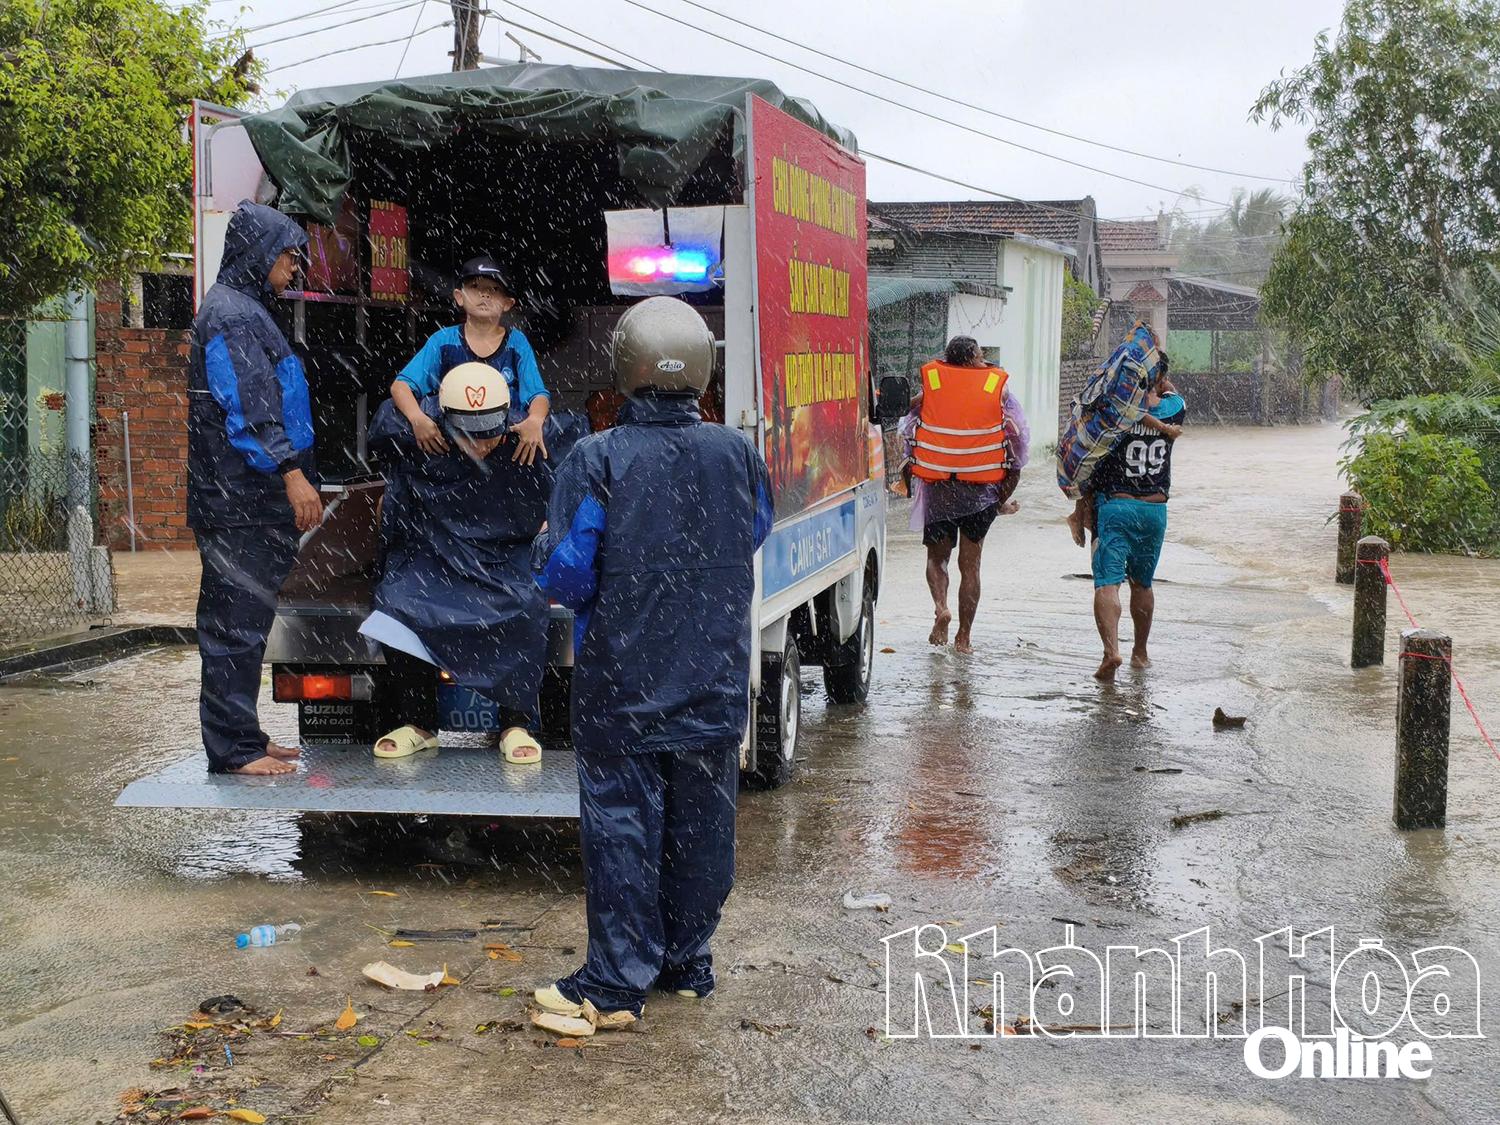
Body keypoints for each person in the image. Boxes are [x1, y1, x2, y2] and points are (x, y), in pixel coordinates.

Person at [531, 296, 774, 1027]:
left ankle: (613, 983)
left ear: (625, 370)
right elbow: (752, 532)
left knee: (624, 831)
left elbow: (567, 576)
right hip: (711, 679)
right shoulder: (737, 454)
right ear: (702, 370)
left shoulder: (597, 458)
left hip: (623, 686)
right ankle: (687, 963)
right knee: (702, 828)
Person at [359, 363, 551, 764]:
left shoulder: (529, 432)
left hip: (501, 558)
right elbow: (384, 420)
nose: (480, 446)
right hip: (434, 553)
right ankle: (419, 724)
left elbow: (572, 471)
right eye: (469, 435)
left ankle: (517, 722)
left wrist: (536, 422)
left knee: (526, 606)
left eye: (489, 435)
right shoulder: (416, 430)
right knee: (397, 602)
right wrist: (416, 418)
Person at [187, 200, 320, 777]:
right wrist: (291, 474)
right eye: (288, 257)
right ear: (260, 253)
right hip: (238, 502)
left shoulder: (244, 310)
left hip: (247, 502)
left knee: (245, 624)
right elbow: (248, 408)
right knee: (232, 626)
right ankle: (233, 751)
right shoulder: (233, 317)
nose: (293, 269)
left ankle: (247, 736)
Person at [900, 336, 1027, 655]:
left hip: (940, 489)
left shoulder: (931, 386)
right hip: (980, 493)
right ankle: (964, 637)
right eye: (981, 355)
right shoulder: (997, 388)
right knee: (970, 567)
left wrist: (907, 474)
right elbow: (1018, 439)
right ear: (971, 358)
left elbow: (906, 427)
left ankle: (941, 607)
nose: (985, 361)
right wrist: (1003, 490)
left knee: (936, 559)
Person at [390, 254, 550, 467]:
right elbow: (401, 387)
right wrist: (417, 419)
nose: (484, 294)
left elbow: (538, 394)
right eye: (475, 286)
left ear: (508, 303)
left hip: (505, 452)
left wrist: (535, 420)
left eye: (494, 289)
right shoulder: (444, 341)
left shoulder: (516, 343)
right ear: (459, 297)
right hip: (451, 451)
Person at [1088, 383, 1186, 681]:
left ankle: (1111, 651)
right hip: (1155, 510)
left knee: (1108, 584)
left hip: (1117, 505)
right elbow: (1169, 393)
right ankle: (1140, 654)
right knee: (1142, 584)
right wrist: (1161, 382)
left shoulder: (1116, 410)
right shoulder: (1175, 408)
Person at [1057, 320, 1176, 547]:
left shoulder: (1123, 359)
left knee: (1092, 476)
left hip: (1091, 427)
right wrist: (1164, 428)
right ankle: (1081, 520)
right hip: (1102, 432)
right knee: (1095, 477)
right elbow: (1132, 410)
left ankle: (1079, 517)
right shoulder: (1134, 368)